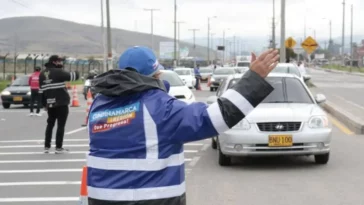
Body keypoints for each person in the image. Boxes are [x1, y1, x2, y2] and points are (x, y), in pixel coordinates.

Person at [86, 46, 279, 205]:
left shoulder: (99, 105)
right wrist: (253, 79)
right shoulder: (159, 108)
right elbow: (217, 116)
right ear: (157, 74)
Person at [39, 55, 80, 154]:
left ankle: (47, 146)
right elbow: (75, 76)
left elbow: (41, 91)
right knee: (61, 125)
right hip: (61, 102)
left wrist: (44, 104)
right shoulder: (58, 72)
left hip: (50, 103)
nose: (60, 63)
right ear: (54, 62)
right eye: (59, 61)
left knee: (50, 124)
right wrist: (71, 69)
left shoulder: (42, 74)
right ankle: (58, 147)